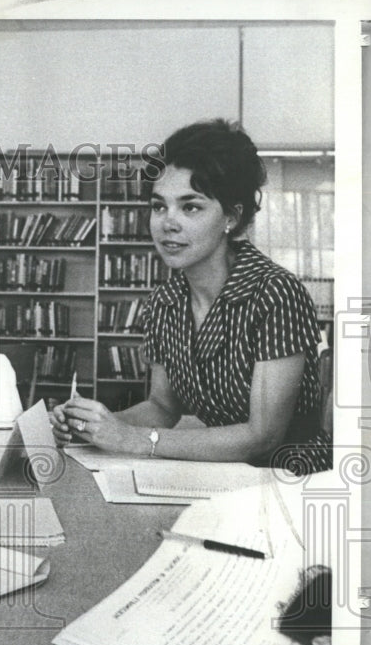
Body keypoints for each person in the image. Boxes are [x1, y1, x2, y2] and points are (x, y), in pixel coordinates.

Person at [52, 119, 331, 474]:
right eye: (158, 206)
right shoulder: (165, 303)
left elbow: (263, 436)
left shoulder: (275, 293)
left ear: (231, 216)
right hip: (214, 474)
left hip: (288, 478)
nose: (168, 223)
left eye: (191, 207)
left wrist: (134, 440)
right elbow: (162, 407)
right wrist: (94, 426)